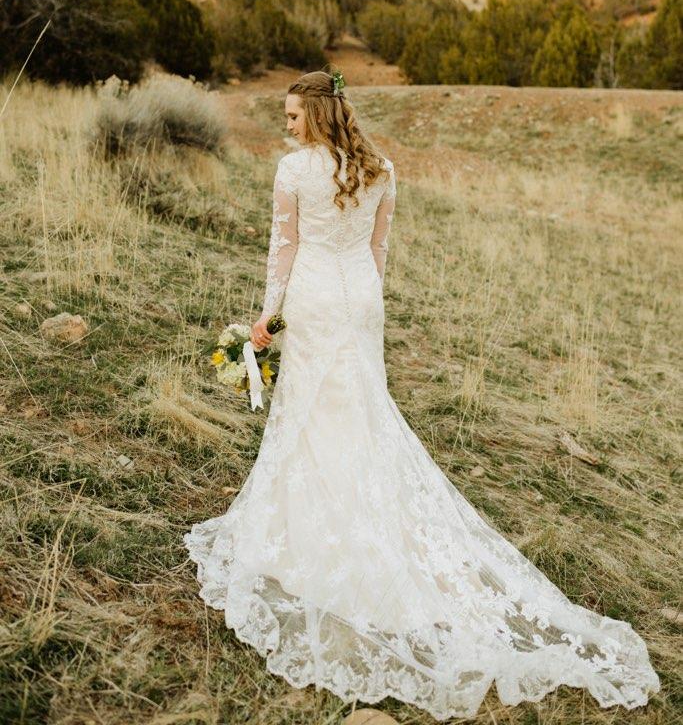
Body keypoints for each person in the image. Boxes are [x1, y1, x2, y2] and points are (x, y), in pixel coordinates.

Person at [183, 70, 660, 722]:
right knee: (359, 412)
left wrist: (267, 319)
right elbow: (378, 252)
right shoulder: (381, 168)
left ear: (319, 116)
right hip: (360, 304)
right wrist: (361, 304)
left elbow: (283, 249)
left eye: (293, 115)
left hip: (316, 301)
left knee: (317, 415)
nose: (286, 124)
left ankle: (318, 537)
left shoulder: (293, 172)